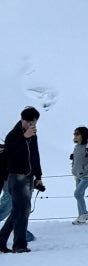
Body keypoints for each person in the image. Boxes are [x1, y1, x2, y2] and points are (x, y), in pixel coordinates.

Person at [1, 107, 45, 253]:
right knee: (22, 212)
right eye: (29, 122)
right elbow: (10, 154)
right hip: (17, 176)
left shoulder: (33, 136)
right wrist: (24, 137)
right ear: (22, 120)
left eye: (34, 122)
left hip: (29, 176)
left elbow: (35, 155)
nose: (32, 125)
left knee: (18, 211)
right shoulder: (13, 135)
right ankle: (19, 245)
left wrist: (39, 176)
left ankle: (2, 241)